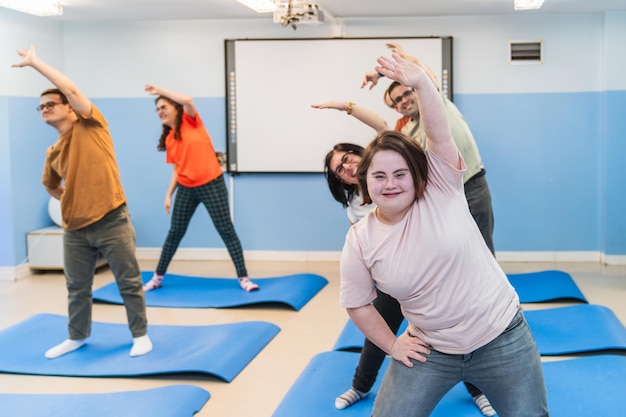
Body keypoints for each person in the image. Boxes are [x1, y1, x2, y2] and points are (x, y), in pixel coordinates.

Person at [339, 52, 549, 417]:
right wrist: (392, 345)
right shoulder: (360, 238)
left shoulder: (441, 189)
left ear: (417, 175)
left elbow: (438, 133)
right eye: (379, 176)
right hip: (430, 350)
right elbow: (356, 302)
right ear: (365, 183)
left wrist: (420, 82)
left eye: (400, 174)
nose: (390, 184)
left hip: (502, 336)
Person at [324, 144, 494, 416]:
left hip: (430, 270)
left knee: (457, 328)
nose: (347, 168)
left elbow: (385, 131)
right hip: (394, 278)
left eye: (347, 159)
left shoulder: (391, 172)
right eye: (340, 169)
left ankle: (478, 390)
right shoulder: (355, 209)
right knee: (377, 329)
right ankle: (360, 385)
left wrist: (350, 108)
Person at [12, 46, 153, 359]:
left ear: (70, 108)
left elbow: (72, 89)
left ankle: (140, 335)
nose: (45, 109)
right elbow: (49, 185)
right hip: (75, 230)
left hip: (112, 220)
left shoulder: (92, 126)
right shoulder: (53, 151)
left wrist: (35, 63)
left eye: (51, 104)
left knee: (128, 282)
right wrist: (71, 199)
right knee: (77, 288)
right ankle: (77, 336)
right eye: (41, 107)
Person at [313, 43, 495, 255]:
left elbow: (421, 76)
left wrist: (379, 74)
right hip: (440, 197)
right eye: (397, 101)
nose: (403, 100)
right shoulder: (404, 130)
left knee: (482, 247)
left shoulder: (437, 103)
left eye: (406, 93)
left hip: (470, 185)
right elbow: (383, 128)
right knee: (454, 253)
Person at [142, 85, 259, 292]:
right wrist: (168, 195)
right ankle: (157, 277)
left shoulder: (191, 121)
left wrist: (160, 89)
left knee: (226, 230)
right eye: (157, 109)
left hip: (211, 183)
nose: (160, 111)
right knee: (175, 232)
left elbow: (187, 100)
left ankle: (244, 278)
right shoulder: (170, 139)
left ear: (175, 108)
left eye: (164, 106)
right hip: (187, 188)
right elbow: (177, 170)